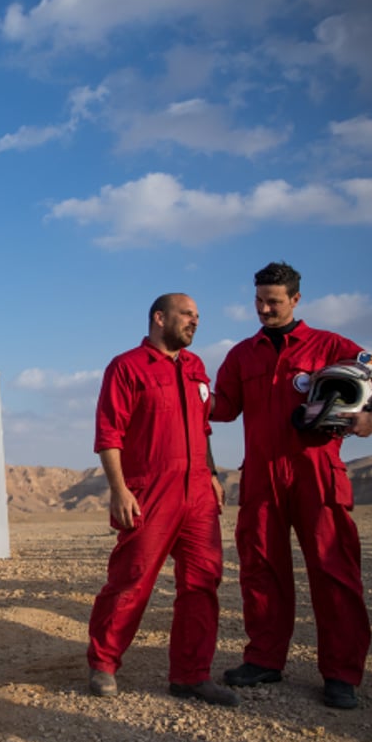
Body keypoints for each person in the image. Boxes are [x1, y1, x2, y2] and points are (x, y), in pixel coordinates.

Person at [212, 262, 372, 710]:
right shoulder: (242, 354)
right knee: (261, 569)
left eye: (273, 301)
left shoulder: (333, 345)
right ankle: (264, 660)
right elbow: (222, 408)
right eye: (258, 300)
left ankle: (341, 674)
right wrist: (187, 386)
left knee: (334, 571)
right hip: (261, 475)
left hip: (317, 472)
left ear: (296, 300)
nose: (264, 308)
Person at [86, 293, 238, 706]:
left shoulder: (195, 367)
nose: (195, 322)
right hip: (150, 491)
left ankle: (191, 675)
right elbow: (109, 434)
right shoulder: (126, 367)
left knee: (202, 583)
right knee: (131, 578)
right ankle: (104, 663)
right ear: (159, 318)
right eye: (187, 314)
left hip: (198, 493)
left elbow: (203, 428)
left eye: (197, 316)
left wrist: (212, 475)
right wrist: (119, 490)